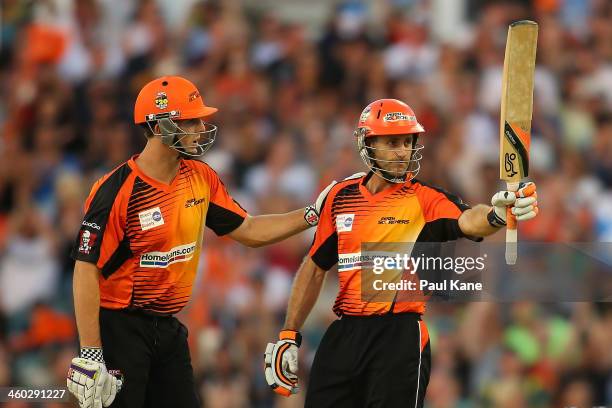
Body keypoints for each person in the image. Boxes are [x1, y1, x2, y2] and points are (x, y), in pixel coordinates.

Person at [65, 75, 339, 408]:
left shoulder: (199, 176)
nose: (200, 128)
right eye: (191, 120)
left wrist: (313, 214)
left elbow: (249, 229)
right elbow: (85, 269)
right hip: (118, 330)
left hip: (167, 329)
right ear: (162, 125)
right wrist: (91, 352)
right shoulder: (116, 190)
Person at [264, 99, 539, 407]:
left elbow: (469, 220)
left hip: (399, 337)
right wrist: (289, 334)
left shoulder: (424, 199)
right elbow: (314, 268)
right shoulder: (340, 197)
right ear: (367, 143)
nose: (402, 151)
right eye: (392, 142)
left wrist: (497, 216)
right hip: (344, 334)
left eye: (407, 142)